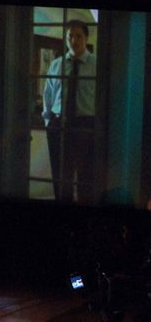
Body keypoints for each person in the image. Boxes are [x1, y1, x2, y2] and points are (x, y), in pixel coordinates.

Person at [42, 19, 97, 204]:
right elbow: (48, 94)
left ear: (86, 38)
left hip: (86, 125)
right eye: (70, 36)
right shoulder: (57, 64)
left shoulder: (97, 64)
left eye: (79, 36)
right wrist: (48, 121)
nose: (74, 40)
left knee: (85, 176)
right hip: (59, 124)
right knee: (60, 175)